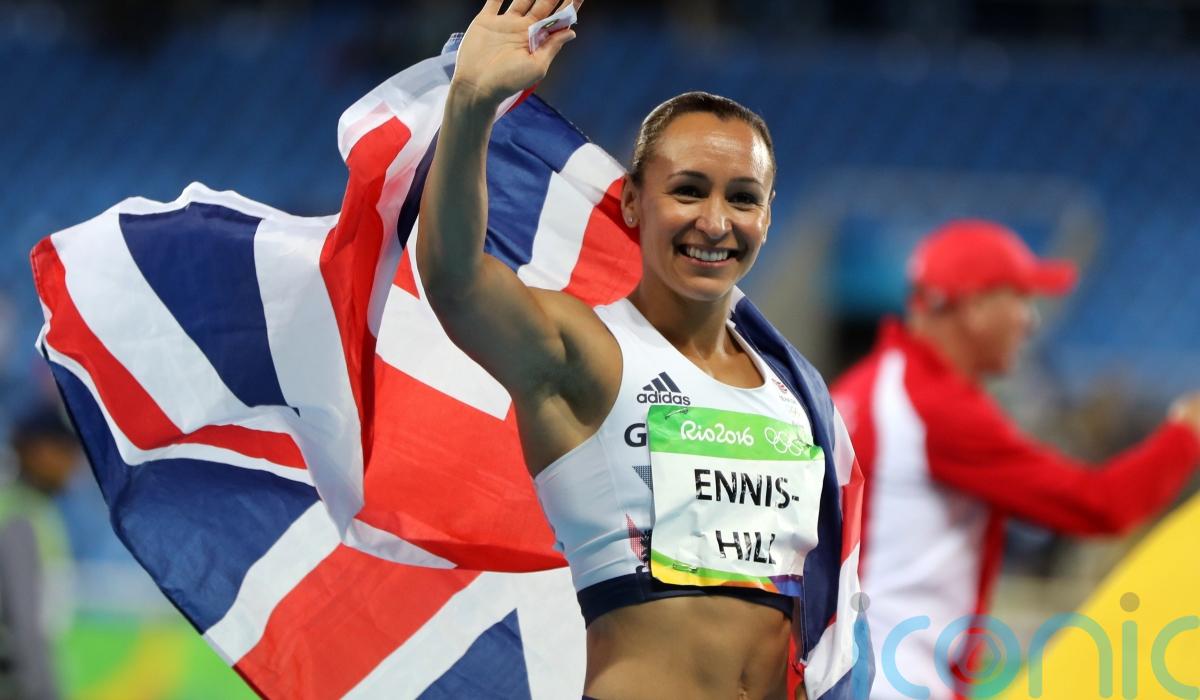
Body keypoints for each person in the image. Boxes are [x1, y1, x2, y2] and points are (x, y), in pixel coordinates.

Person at [416, 1, 850, 697]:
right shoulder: (587, 352)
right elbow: (456, 281)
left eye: (743, 198)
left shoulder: (793, 396)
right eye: (688, 191)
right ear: (631, 204)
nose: (716, 221)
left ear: (768, 216)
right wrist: (470, 102)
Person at [830, 219, 1200, 699]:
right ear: (975, 308)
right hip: (896, 677)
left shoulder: (863, 387)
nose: (1030, 321)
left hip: (853, 669)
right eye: (1021, 298)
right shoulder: (934, 408)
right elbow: (1101, 504)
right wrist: (1186, 433)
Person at [0, 404, 80, 700]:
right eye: (63, 450)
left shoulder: (35, 509)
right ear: (34, 449)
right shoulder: (19, 515)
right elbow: (25, 622)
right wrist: (43, 691)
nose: (72, 463)